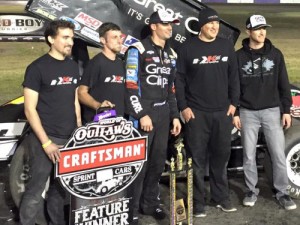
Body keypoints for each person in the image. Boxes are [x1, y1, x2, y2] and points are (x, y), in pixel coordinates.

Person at [175, 7, 239, 217]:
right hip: (197, 114)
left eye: (217, 23)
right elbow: (179, 79)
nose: (214, 26)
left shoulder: (226, 45)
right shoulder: (187, 47)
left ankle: (221, 197)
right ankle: (198, 202)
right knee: (197, 160)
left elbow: (233, 77)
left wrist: (233, 104)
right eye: (210, 23)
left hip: (222, 113)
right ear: (201, 25)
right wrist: (183, 107)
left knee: (221, 158)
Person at [19, 20, 81, 225]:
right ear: (51, 39)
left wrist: (79, 130)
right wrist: (46, 143)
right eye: (65, 37)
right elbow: (29, 109)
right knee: (35, 191)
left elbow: (74, 100)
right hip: (45, 140)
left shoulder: (73, 66)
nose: (70, 42)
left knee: (62, 189)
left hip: (69, 138)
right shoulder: (36, 68)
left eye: (71, 37)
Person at [233, 15, 297, 210]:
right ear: (248, 31)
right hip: (247, 112)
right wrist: (235, 112)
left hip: (272, 111)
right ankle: (251, 190)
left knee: (278, 154)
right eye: (258, 28)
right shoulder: (238, 57)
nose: (262, 32)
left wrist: (285, 110)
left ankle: (282, 192)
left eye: (264, 28)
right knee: (249, 156)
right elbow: (233, 87)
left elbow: (283, 85)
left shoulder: (275, 54)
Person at [125, 10, 181, 222]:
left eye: (172, 25)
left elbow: (171, 89)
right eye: (166, 24)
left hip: (164, 114)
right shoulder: (137, 49)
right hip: (143, 115)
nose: (170, 28)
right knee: (139, 165)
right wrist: (141, 114)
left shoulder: (171, 54)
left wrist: (175, 116)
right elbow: (130, 86)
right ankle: (131, 210)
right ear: (154, 26)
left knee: (158, 162)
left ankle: (149, 204)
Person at [78, 22, 125, 122]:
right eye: (114, 37)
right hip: (98, 123)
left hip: (119, 123)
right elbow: (81, 93)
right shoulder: (96, 63)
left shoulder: (121, 64)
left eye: (120, 37)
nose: (119, 41)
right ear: (103, 40)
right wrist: (99, 106)